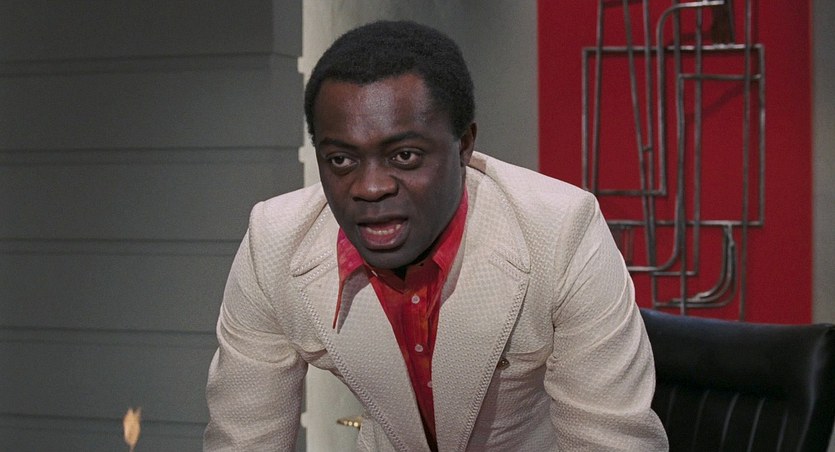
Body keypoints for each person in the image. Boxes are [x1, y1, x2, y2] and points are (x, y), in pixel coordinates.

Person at [204, 20, 668, 451]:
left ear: (464, 144)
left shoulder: (561, 231)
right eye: (341, 160)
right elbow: (244, 439)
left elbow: (611, 443)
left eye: (404, 156)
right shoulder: (274, 244)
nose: (370, 187)